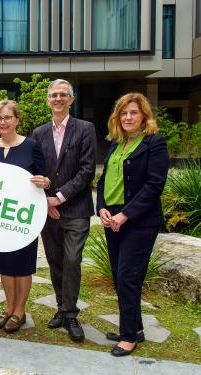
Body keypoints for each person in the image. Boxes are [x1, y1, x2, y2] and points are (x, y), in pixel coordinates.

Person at [97, 93, 168, 357]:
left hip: (138, 221)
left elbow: (154, 185)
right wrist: (102, 207)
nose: (128, 117)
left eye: (133, 113)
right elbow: (104, 181)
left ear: (144, 116)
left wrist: (125, 215)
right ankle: (135, 327)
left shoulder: (154, 144)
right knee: (120, 276)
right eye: (123, 113)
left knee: (128, 276)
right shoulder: (117, 145)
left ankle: (128, 337)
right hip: (111, 218)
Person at [31, 79, 96, 342]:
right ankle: (61, 307)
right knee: (55, 262)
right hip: (47, 211)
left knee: (72, 260)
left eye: (63, 95)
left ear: (71, 99)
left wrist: (58, 197)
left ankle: (70, 314)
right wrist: (46, 201)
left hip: (76, 209)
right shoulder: (39, 133)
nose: (58, 98)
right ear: (48, 100)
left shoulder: (85, 129)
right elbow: (34, 170)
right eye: (53, 95)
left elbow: (87, 170)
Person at [0, 100, 49, 332]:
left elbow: (44, 176)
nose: (3, 122)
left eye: (7, 117)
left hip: (22, 217)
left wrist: (46, 182)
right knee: (4, 263)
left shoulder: (31, 146)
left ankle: (20, 312)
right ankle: (9, 309)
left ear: (17, 120)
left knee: (22, 264)